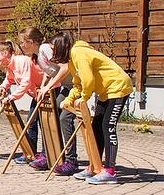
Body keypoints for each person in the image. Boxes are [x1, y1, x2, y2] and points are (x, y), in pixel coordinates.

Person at [50, 32, 133, 184]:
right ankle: (95, 167)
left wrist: (84, 98)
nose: (52, 52)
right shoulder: (71, 59)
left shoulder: (78, 52)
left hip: (118, 87)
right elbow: (78, 84)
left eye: (53, 48)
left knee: (108, 127)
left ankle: (110, 172)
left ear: (61, 46)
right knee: (95, 128)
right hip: (105, 91)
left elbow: (88, 80)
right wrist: (69, 99)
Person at [19, 27, 78, 175]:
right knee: (49, 117)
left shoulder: (45, 48)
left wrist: (48, 87)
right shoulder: (38, 54)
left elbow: (64, 67)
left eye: (22, 42)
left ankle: (71, 160)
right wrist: (43, 86)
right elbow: (49, 71)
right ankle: (48, 155)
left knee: (64, 118)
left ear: (31, 42)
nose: (20, 45)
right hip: (65, 86)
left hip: (74, 85)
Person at [0, 40, 44, 166]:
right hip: (37, 95)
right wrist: (2, 87)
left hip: (46, 92)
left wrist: (12, 97)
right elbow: (8, 79)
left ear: (5, 53)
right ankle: (31, 153)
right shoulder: (11, 66)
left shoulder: (21, 61)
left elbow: (26, 81)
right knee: (31, 123)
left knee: (43, 124)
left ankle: (44, 155)